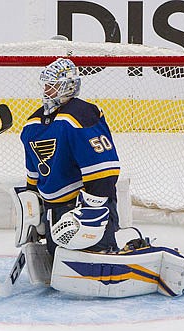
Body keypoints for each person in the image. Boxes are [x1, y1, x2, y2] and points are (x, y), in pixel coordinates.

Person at [15, 57, 120, 284]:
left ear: (68, 86)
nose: (46, 90)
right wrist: (35, 211)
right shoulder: (32, 124)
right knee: (60, 267)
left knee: (95, 264)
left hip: (85, 204)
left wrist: (93, 209)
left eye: (51, 85)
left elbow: (104, 169)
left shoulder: (81, 114)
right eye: (45, 84)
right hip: (55, 210)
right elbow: (34, 174)